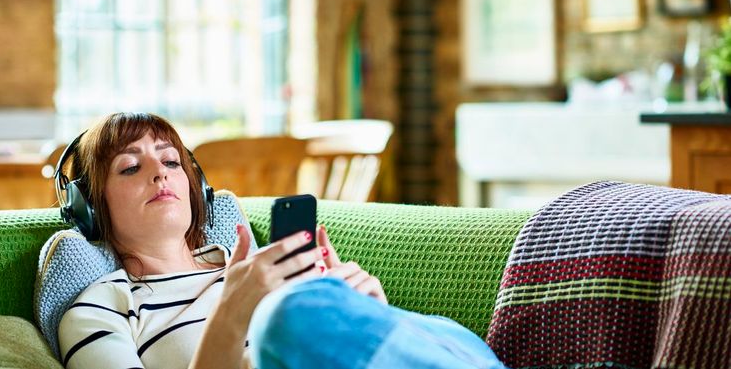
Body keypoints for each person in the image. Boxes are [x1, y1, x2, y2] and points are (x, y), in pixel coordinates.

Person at [57, 112, 506, 369]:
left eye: (172, 161)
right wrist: (233, 313)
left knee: (437, 328)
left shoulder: (256, 271)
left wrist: (366, 313)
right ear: (91, 208)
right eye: (131, 167)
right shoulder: (101, 309)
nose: (160, 172)